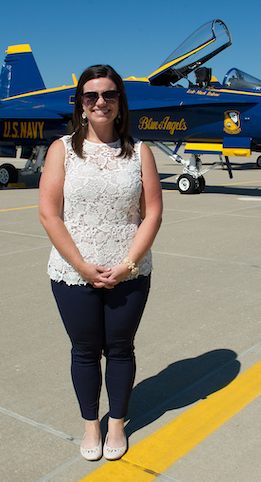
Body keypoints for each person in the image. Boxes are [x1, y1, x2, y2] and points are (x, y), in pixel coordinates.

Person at [39, 65, 163, 462]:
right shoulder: (62, 149)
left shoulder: (140, 151)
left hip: (129, 273)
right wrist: (80, 265)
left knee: (121, 349)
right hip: (73, 274)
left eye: (109, 95)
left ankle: (116, 424)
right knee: (85, 350)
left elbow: (153, 213)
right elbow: (49, 214)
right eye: (91, 96)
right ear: (80, 104)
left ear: (120, 102)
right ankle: (91, 424)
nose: (100, 102)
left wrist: (128, 263)